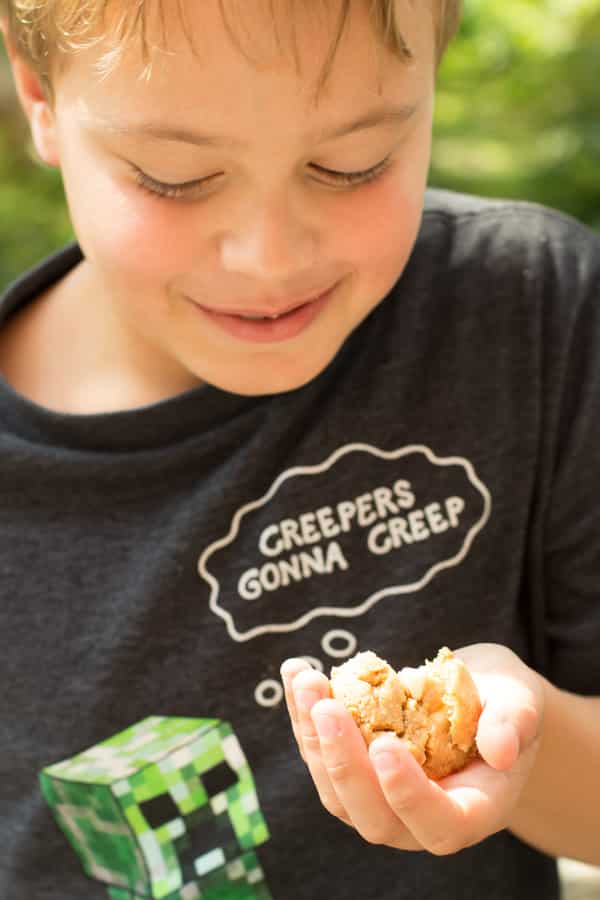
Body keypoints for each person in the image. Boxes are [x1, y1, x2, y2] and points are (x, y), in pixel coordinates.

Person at [1, 0, 599, 898]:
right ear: (40, 94)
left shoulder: (531, 313)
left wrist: (530, 742)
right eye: (173, 176)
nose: (268, 257)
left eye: (352, 163)